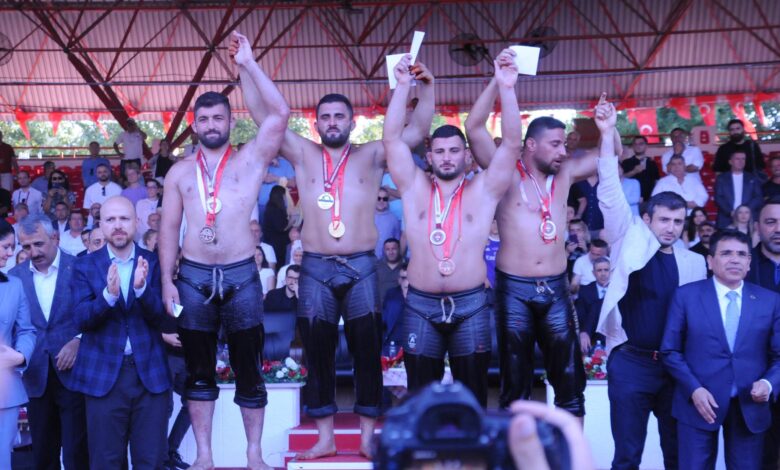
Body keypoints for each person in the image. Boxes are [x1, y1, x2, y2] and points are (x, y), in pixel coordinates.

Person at [243, 41, 434, 464]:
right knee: (318, 352)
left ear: (352, 121)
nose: (332, 122)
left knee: (367, 350)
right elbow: (262, 116)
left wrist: (428, 86)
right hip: (315, 267)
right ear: (317, 124)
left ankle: (367, 438)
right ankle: (325, 438)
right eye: (325, 117)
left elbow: (418, 130)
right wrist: (246, 65)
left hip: (362, 265)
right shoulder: (302, 152)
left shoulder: (374, 153)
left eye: (339, 116)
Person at [158, 31, 289, 470]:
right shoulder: (179, 172)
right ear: (194, 125)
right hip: (193, 277)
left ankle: (254, 455)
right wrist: (166, 281)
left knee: (249, 368)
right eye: (204, 119)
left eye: (219, 118)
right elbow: (168, 229)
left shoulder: (251, 159)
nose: (212, 125)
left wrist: (248, 63)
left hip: (240, 275)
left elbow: (280, 113)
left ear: (231, 122)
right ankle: (205, 457)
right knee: (198, 371)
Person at [465, 91, 620, 417]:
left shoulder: (566, 172)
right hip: (514, 289)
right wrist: (498, 82)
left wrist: (608, 129)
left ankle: (572, 449)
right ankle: (516, 447)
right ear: (531, 145)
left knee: (570, 381)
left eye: (564, 144)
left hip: (556, 287)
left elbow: (611, 155)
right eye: (556, 144)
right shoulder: (504, 172)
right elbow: (474, 127)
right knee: (515, 383)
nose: (564, 151)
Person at [385, 50, 521, 407]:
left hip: (471, 304)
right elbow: (392, 141)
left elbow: (511, 145)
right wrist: (402, 87)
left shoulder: (484, 189)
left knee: (473, 399)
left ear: (467, 156)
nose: (447, 157)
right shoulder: (413, 185)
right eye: (440, 151)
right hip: (420, 303)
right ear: (429, 156)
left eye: (454, 150)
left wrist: (506, 88)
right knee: (420, 401)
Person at [595, 101, 707, 470]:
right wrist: (606, 133)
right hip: (631, 362)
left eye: (677, 221)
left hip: (675, 368)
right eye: (663, 220)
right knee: (627, 456)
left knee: (677, 455)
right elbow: (609, 189)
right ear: (646, 219)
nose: (671, 228)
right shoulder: (627, 239)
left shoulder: (694, 263)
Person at [662, 230, 780, 469]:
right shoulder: (686, 296)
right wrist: (694, 389)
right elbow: (670, 351)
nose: (735, 260)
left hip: (749, 405)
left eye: (741, 254)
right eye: (726, 253)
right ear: (710, 260)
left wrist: (768, 384)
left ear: (749, 262)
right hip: (698, 403)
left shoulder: (770, 300)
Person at [71, 196, 170, 469]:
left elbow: (164, 319)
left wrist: (141, 290)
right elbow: (80, 320)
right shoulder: (84, 266)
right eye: (110, 219)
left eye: (124, 218)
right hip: (102, 378)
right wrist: (108, 297)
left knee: (150, 461)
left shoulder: (155, 262)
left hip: (150, 376)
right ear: (101, 225)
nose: (117, 225)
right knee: (106, 462)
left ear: (136, 222)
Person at [10, 214, 89, 469]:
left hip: (75, 375)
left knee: (77, 454)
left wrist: (78, 341)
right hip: (35, 376)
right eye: (26, 246)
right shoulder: (14, 276)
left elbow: (97, 314)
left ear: (55, 238)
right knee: (43, 454)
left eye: (38, 244)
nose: (33, 252)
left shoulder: (81, 268)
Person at [0, 219, 35, 470]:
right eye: (5, 246)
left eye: (13, 247)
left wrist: (21, 356)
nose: (10, 253)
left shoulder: (14, 285)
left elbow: (27, 330)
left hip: (5, 387)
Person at [748, 197, 780, 470]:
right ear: (757, 226)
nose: (778, 229)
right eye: (771, 222)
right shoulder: (741, 265)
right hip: (754, 377)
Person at [714, 150, 763, 229]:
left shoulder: (752, 178)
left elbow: (758, 197)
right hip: (726, 217)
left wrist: (745, 211)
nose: (741, 161)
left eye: (743, 159)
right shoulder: (721, 178)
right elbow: (718, 197)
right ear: (730, 162)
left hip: (748, 219)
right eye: (737, 159)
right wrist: (730, 212)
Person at [576, 256, 609, 355]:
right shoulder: (584, 291)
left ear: (611, 272)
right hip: (592, 337)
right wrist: (583, 332)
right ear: (593, 273)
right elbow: (580, 316)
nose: (603, 274)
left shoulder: (618, 290)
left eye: (606, 270)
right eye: (599, 270)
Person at [621, 135, 661, 201]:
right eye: (635, 144)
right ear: (633, 146)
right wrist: (634, 171)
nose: (638, 146)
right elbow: (621, 179)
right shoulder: (626, 162)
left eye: (641, 144)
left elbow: (657, 181)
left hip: (649, 199)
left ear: (646, 146)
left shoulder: (652, 163)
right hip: (630, 199)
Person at [258, 156, 295, 224]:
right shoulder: (259, 162)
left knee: (281, 229)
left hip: (280, 206)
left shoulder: (285, 164)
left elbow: (293, 184)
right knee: (262, 229)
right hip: (262, 205)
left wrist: (276, 179)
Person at [381, 263, 408, 356]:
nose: (406, 281)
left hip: (414, 343)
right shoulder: (391, 295)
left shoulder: (421, 297)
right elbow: (383, 321)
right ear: (399, 280)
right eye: (403, 278)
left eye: (408, 278)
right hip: (393, 345)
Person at [261, 185, 289, 268]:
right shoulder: (274, 209)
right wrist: (291, 221)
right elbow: (281, 227)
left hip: (274, 241)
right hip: (276, 243)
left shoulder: (271, 207)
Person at [374, 187, 401, 259]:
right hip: (368, 260)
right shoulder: (366, 217)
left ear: (388, 201)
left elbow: (397, 242)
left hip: (385, 261)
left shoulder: (394, 219)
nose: (381, 201)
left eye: (385, 199)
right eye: (378, 198)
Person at [376, 237, 402, 304]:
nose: (391, 252)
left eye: (394, 249)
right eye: (387, 249)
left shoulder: (407, 265)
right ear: (384, 251)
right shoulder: (377, 266)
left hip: (401, 306)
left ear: (399, 249)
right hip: (381, 307)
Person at [484, 219, 500, 288]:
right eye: (493, 222)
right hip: (487, 283)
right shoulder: (483, 241)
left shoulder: (507, 242)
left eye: (498, 222)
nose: (495, 225)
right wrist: (484, 278)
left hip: (504, 284)